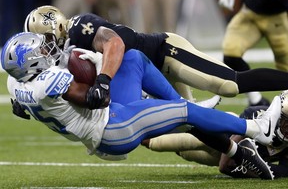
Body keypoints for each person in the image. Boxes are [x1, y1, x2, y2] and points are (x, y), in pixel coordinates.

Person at [1, 31, 282, 180]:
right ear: (32, 65)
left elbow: (20, 103)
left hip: (109, 117)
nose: (46, 51)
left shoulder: (16, 83)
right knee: (187, 114)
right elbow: (99, 98)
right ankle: (259, 129)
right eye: (39, 52)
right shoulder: (49, 80)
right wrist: (100, 71)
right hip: (113, 128)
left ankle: (235, 151)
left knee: (134, 58)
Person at [23, 5, 288, 105]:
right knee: (184, 128)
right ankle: (244, 150)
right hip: (149, 76)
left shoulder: (80, 28)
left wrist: (103, 80)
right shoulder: (67, 49)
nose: (45, 49)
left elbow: (116, 43)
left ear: (55, 26)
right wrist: (27, 101)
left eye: (45, 41)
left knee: (229, 84)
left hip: (165, 54)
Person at [142, 92, 288, 179]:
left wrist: (246, 169)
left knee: (184, 153)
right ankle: (145, 108)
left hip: (221, 158)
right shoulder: (265, 115)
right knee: (172, 141)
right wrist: (237, 158)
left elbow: (279, 171)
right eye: (287, 121)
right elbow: (244, 122)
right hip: (225, 133)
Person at [218, 0, 288, 106]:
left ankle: (285, 111)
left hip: (278, 16)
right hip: (250, 13)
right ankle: (256, 100)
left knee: (285, 68)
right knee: (231, 52)